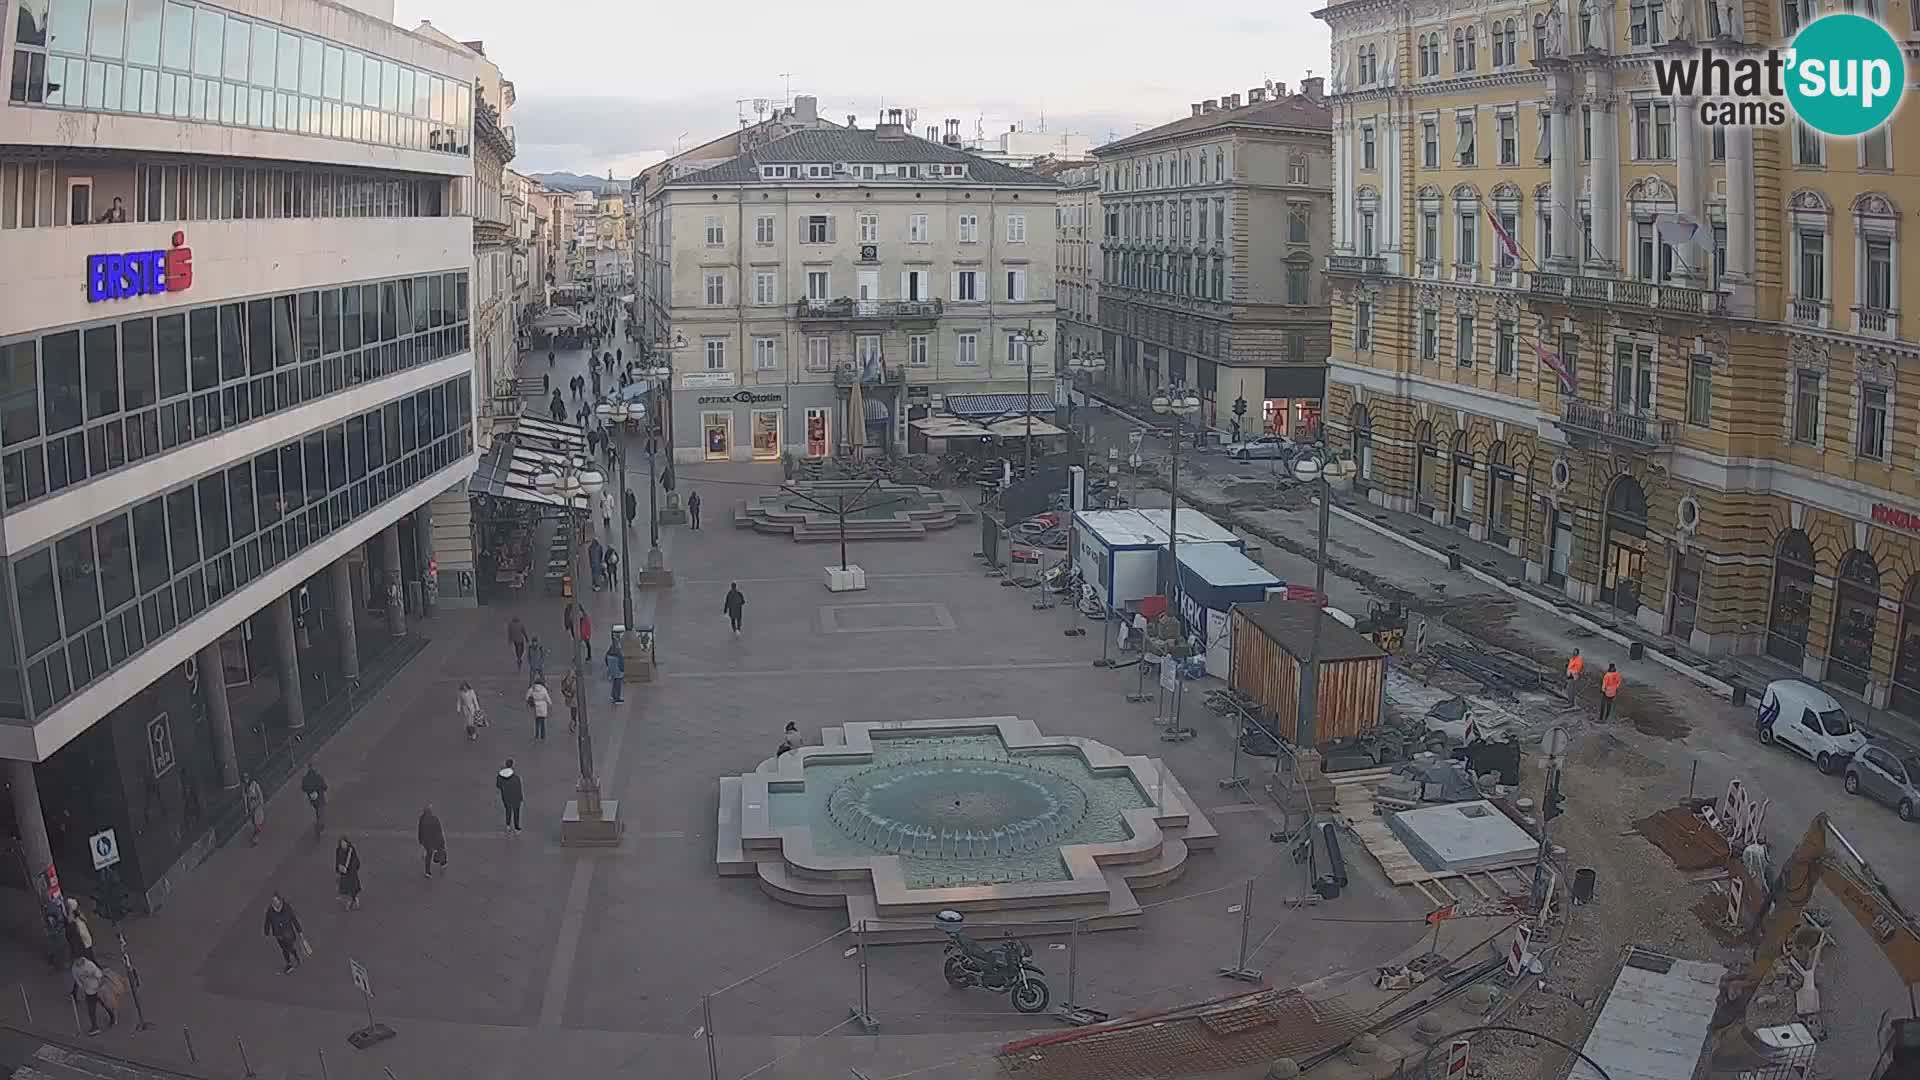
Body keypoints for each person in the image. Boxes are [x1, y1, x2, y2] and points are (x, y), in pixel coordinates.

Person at [71, 956, 115, 1034]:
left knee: (92, 1009)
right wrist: (83, 987)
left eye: (78, 960)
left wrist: (99, 987)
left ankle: (95, 1027)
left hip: (96, 988)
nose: (77, 962)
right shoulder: (75, 968)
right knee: (101, 1003)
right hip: (89, 991)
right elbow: (77, 979)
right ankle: (112, 1016)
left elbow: (100, 976)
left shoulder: (89, 965)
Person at [262, 893, 304, 974]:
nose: (275, 903)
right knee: (284, 949)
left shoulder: (287, 908)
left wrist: (300, 931)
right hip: (279, 935)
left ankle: (294, 958)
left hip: (289, 933)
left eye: (276, 901)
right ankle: (289, 962)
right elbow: (268, 921)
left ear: (280, 900)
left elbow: (294, 919)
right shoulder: (270, 911)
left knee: (289, 947)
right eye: (273, 901)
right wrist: (266, 932)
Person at [417, 804, 446, 877]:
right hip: (434, 840)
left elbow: (420, 830)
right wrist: (441, 841)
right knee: (441, 850)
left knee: (429, 855)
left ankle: (427, 871)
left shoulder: (422, 819)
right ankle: (443, 862)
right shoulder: (435, 819)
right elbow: (439, 831)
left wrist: (420, 840)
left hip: (426, 841)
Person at [334, 837, 363, 910]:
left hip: (351, 874)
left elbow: (356, 861)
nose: (343, 845)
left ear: (347, 843)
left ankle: (350, 903)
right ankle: (353, 901)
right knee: (346, 889)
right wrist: (338, 868)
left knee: (351, 889)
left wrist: (348, 868)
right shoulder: (338, 850)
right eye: (342, 843)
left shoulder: (351, 850)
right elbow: (337, 861)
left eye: (344, 843)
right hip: (343, 874)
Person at [64, 897, 95, 962]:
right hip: (87, 942)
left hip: (83, 944)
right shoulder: (79, 917)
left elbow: (74, 934)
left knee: (87, 959)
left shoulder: (74, 921)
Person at [496, 760, 524, 833]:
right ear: (512, 765)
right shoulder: (516, 778)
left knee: (508, 810)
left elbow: (498, 786)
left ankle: (508, 825)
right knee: (516, 813)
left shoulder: (500, 777)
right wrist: (521, 798)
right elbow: (519, 789)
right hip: (516, 798)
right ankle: (516, 827)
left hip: (506, 797)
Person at [300, 764, 328, 835]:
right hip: (320, 798)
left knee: (317, 810)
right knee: (321, 811)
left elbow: (303, 788)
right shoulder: (318, 777)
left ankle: (319, 823)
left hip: (312, 800)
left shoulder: (305, 779)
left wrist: (309, 791)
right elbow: (325, 787)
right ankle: (319, 825)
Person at [244, 773, 266, 846]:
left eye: (246, 777)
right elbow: (245, 798)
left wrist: (261, 803)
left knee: (256, 822)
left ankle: (255, 839)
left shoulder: (254, 784)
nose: (245, 779)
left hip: (257, 806)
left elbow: (260, 794)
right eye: (244, 778)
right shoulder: (244, 787)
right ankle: (256, 835)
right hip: (251, 807)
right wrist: (246, 809)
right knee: (253, 823)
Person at [561, 668, 580, 733]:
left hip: (570, 698)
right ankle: (573, 723)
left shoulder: (566, 680)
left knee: (573, 711)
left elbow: (563, 689)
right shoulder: (574, 681)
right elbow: (573, 690)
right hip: (573, 699)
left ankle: (573, 722)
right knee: (574, 711)